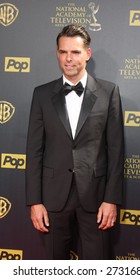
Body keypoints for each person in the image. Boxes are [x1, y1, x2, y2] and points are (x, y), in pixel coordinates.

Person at [26, 24, 124, 260]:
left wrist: (111, 199)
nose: (68, 59)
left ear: (87, 54)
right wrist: (34, 201)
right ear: (58, 53)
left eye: (75, 52)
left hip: (96, 197)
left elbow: (116, 150)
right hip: (52, 198)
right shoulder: (41, 94)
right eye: (63, 52)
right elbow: (34, 151)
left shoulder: (109, 92)